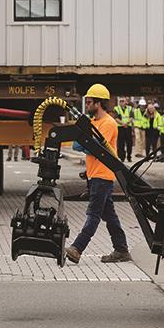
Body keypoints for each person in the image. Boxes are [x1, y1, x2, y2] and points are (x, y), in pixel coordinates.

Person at [65, 84, 131, 264]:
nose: (87, 105)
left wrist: (86, 143)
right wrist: (86, 143)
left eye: (90, 102)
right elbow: (77, 145)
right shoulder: (93, 123)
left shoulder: (108, 123)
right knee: (110, 216)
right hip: (94, 176)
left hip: (103, 176)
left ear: (99, 103)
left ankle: (77, 248)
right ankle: (121, 250)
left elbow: (94, 149)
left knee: (93, 213)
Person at [114, 97, 134, 162]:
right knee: (120, 143)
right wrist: (123, 124)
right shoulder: (116, 108)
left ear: (126, 102)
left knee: (129, 143)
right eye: (120, 101)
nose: (122, 102)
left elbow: (132, 117)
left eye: (123, 101)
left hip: (128, 128)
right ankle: (122, 157)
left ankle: (129, 156)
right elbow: (116, 118)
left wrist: (127, 123)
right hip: (120, 128)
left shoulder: (129, 108)